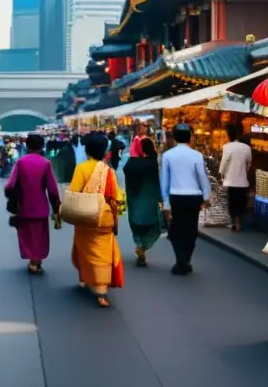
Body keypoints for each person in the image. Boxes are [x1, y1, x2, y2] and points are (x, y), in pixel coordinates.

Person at [69, 133, 124, 307]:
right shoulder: (108, 171)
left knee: (84, 248)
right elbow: (115, 195)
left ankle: (85, 278)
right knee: (103, 252)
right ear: (104, 151)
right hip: (104, 217)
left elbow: (74, 191)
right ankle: (101, 290)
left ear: (87, 150)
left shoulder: (82, 168)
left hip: (86, 217)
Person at [5, 134, 61, 274]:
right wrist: (56, 208)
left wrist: (13, 201)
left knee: (27, 235)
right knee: (40, 236)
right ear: (42, 147)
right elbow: (52, 189)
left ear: (27, 146)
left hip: (24, 206)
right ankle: (37, 260)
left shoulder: (21, 162)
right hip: (41, 206)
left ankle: (32, 260)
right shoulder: (45, 163)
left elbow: (10, 185)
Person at [161, 123, 211, 276]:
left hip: (176, 197)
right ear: (190, 137)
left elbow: (165, 180)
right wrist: (206, 197)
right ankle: (186, 259)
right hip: (193, 197)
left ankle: (180, 260)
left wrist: (166, 202)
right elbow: (202, 177)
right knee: (191, 229)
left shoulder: (167, 155)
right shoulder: (196, 155)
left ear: (174, 137)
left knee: (176, 230)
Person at [123, 137, 164, 267]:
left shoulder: (129, 164)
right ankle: (144, 247)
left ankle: (139, 245)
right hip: (149, 198)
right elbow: (156, 181)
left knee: (136, 226)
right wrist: (161, 198)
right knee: (154, 225)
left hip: (134, 200)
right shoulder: (152, 163)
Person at [220, 124, 252, 232]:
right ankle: (238, 221)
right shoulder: (247, 148)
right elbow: (249, 163)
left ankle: (234, 221)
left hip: (231, 180)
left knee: (232, 202)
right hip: (242, 181)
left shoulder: (227, 147)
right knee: (240, 201)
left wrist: (221, 173)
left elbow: (224, 163)